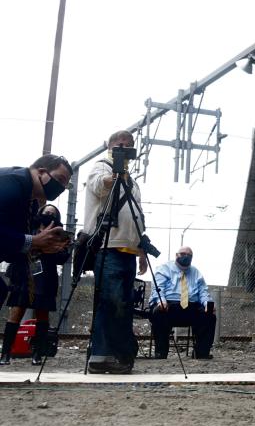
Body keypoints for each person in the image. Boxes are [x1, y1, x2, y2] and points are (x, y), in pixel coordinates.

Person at [82, 131, 148, 374]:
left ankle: (119, 354)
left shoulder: (132, 181)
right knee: (110, 301)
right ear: (110, 146)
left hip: (127, 249)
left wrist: (141, 249)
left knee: (124, 303)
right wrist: (115, 174)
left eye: (129, 146)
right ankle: (101, 354)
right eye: (120, 145)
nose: (124, 149)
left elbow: (136, 215)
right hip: (107, 246)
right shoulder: (101, 167)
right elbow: (99, 186)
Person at [0, 154, 73, 314]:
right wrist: (33, 241)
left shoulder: (31, 202)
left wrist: (42, 247)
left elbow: (10, 248)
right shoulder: (11, 183)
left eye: (65, 185)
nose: (61, 188)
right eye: (60, 179)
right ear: (41, 172)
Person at [0, 204, 71, 365]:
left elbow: (62, 257)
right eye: (46, 212)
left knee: (42, 316)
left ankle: (37, 353)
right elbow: (16, 248)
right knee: (16, 313)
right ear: (40, 213)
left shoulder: (60, 234)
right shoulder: (28, 227)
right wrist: (39, 245)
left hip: (45, 277)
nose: (48, 214)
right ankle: (5, 353)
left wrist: (59, 247)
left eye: (52, 213)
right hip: (24, 275)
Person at [148, 246, 216, 359]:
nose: (186, 256)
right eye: (183, 254)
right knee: (159, 313)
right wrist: (161, 301)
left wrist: (207, 304)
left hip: (191, 307)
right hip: (169, 305)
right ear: (176, 255)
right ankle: (161, 352)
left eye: (189, 255)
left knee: (209, 316)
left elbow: (203, 292)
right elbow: (158, 288)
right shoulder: (164, 268)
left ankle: (201, 353)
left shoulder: (196, 273)